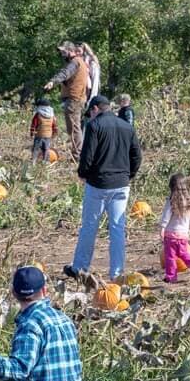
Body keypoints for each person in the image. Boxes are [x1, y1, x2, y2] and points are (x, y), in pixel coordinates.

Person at [63, 95, 142, 280]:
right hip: (121, 184)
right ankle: (117, 274)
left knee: (90, 226)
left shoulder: (94, 126)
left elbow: (87, 155)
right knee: (117, 228)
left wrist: (83, 173)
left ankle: (80, 268)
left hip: (98, 184)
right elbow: (137, 156)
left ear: (96, 108)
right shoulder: (126, 126)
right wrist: (128, 175)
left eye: (90, 112)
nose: (90, 116)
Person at [44, 41, 90, 163]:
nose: (62, 54)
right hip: (78, 98)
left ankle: (77, 156)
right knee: (75, 128)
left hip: (74, 99)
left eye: (64, 52)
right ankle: (78, 154)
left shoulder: (75, 62)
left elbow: (65, 73)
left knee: (74, 129)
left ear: (71, 51)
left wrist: (53, 82)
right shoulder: (80, 62)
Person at [158, 173, 190, 283]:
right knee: (183, 253)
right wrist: (188, 231)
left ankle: (171, 277)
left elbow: (166, 216)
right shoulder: (189, 202)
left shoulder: (171, 201)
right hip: (183, 235)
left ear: (171, 187)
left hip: (171, 235)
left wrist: (162, 228)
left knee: (170, 257)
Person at [29, 97, 58, 163]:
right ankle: (44, 161)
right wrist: (54, 134)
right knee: (46, 149)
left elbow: (33, 125)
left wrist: (32, 134)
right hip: (48, 136)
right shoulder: (52, 115)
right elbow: (55, 126)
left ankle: (33, 161)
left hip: (39, 135)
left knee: (36, 148)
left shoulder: (38, 115)